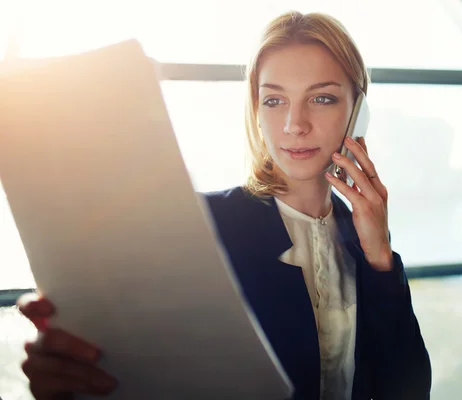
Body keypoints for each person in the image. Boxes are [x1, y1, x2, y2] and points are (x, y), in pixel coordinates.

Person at [17, 10, 431, 400]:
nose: (294, 125)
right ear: (255, 110)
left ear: (358, 110)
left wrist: (380, 258)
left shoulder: (361, 238)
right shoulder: (198, 225)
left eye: (322, 99)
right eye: (274, 100)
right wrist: (68, 365)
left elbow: (407, 390)